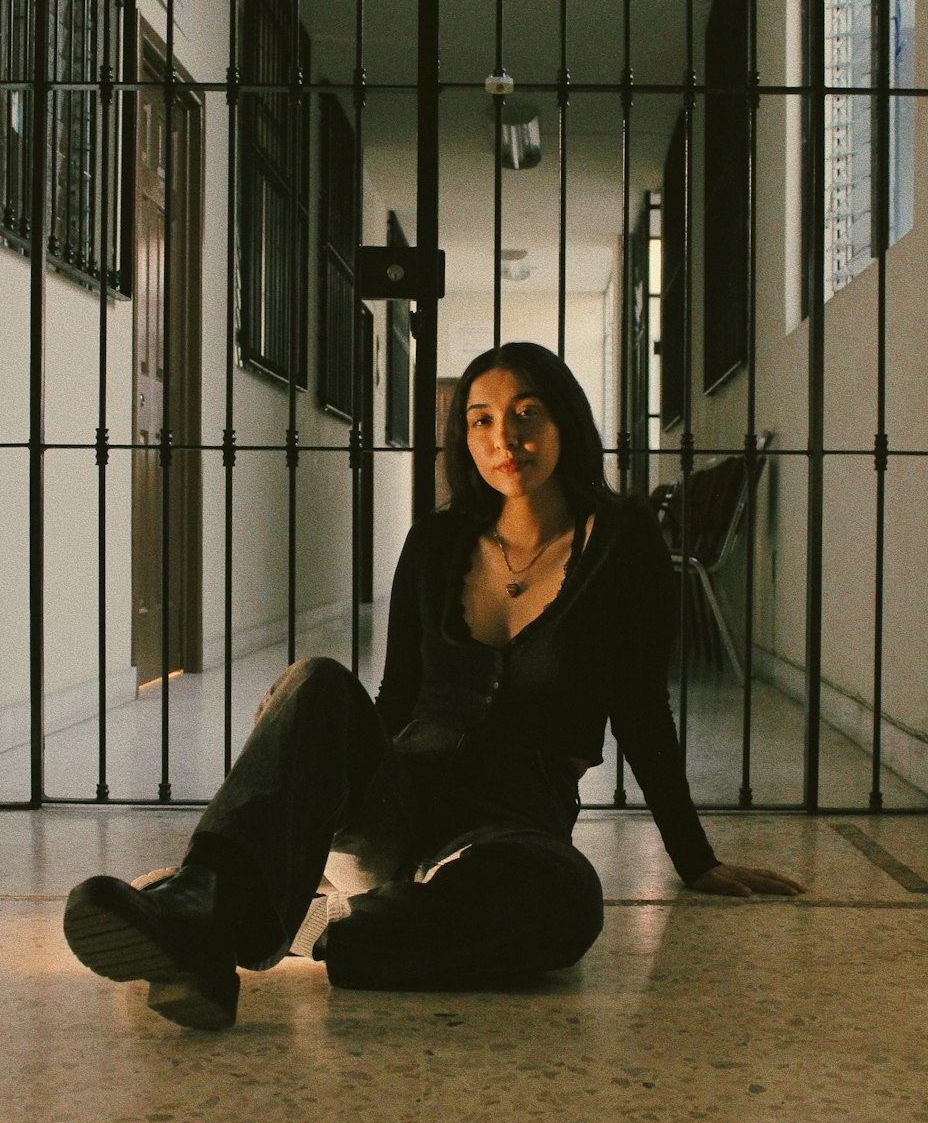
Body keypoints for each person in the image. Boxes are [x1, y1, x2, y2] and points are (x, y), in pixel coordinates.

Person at [63, 342, 804, 1030]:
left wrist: (695, 858)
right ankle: (205, 898)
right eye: (481, 419)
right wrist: (332, 780)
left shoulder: (625, 544)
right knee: (313, 682)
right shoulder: (438, 541)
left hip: (509, 824)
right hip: (398, 802)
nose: (503, 439)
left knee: (568, 904)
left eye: (526, 414)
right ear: (462, 437)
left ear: (566, 422)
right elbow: (395, 700)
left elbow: (643, 710)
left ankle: (290, 926)